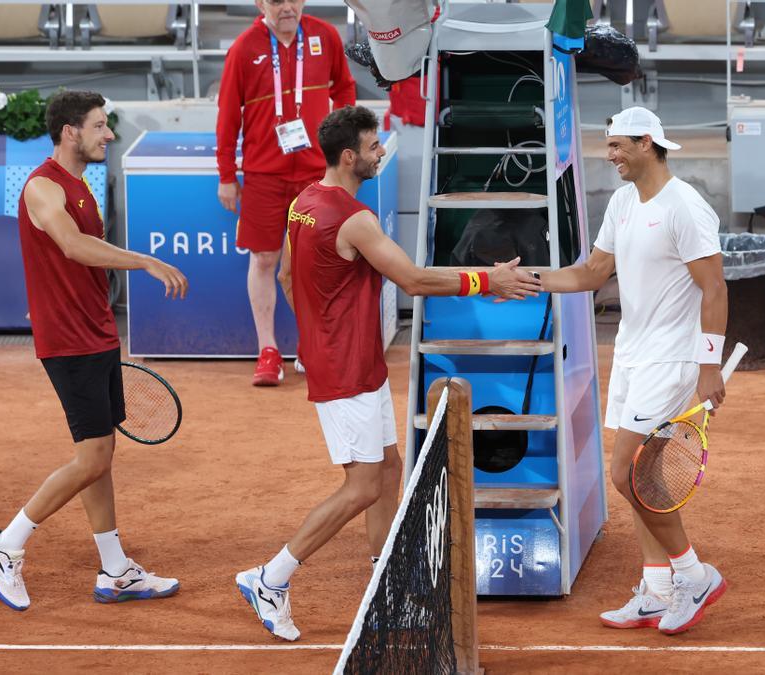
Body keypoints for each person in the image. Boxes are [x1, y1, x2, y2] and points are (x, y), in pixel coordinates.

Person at [234, 105, 541, 641]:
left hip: (353, 362)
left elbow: (285, 275)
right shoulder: (354, 218)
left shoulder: (303, 202)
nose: (382, 153)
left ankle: (387, 581)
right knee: (360, 487)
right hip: (346, 370)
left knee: (388, 472)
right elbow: (415, 281)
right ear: (350, 156)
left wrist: (315, 335)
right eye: (375, 147)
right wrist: (486, 281)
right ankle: (270, 577)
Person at [0, 91, 189, 611]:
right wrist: (144, 261)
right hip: (69, 341)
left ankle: (114, 570)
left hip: (95, 334)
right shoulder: (44, 186)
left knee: (100, 456)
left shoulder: (82, 186)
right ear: (70, 131)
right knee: (92, 456)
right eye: (98, 126)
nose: (107, 135)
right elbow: (71, 246)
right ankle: (5, 545)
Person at [535, 107, 729, 635]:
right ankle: (657, 589)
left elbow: (715, 288)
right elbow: (593, 272)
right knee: (646, 476)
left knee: (626, 474)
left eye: (618, 145)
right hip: (631, 354)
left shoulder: (685, 207)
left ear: (647, 143)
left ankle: (693, 574)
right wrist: (529, 278)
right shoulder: (623, 202)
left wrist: (709, 366)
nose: (610, 154)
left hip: (672, 361)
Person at [216, 0, 357, 386]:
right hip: (264, 173)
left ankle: (313, 346)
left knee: (315, 261)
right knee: (264, 260)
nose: (287, 7)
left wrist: (341, 137)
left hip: (315, 172)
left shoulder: (324, 35)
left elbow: (344, 86)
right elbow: (228, 114)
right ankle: (268, 350)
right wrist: (227, 174)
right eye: (276, 0)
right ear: (261, 4)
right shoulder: (244, 47)